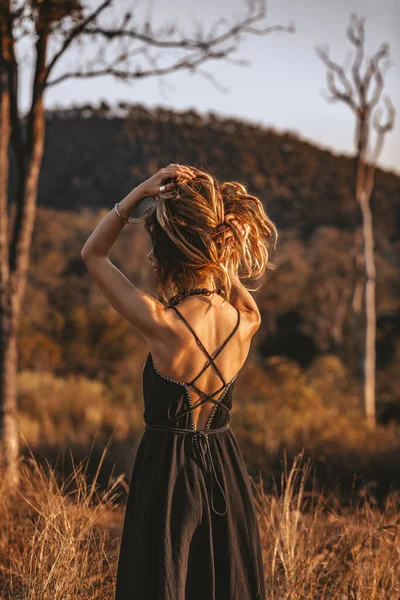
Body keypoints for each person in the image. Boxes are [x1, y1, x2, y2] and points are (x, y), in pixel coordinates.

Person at [81, 163, 278, 600]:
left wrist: (136, 196)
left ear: (171, 255)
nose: (151, 258)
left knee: (159, 582)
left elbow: (92, 255)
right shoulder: (248, 320)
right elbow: (227, 279)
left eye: (156, 248)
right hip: (225, 470)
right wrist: (214, 238)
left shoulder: (162, 324)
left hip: (166, 474)